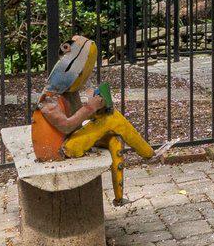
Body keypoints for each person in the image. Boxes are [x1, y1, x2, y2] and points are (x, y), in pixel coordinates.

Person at [32, 34, 156, 204]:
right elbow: (66, 126)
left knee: (114, 139)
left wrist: (98, 108)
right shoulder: (48, 100)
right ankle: (149, 154)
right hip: (63, 149)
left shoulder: (68, 93)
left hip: (72, 140)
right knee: (113, 119)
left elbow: (78, 116)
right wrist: (90, 108)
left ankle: (119, 198)